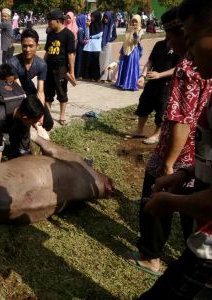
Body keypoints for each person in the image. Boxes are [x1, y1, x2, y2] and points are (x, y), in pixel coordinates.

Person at [127, 6, 212, 278]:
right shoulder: (200, 65)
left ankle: (150, 257)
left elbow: (181, 120)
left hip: (179, 154)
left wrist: (168, 163)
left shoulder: (188, 67)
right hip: (197, 158)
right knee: (194, 211)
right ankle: (189, 254)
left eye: (173, 35)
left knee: (158, 202)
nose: (171, 42)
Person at [125, 39, 179, 144]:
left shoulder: (179, 45)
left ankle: (156, 134)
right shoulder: (159, 44)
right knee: (144, 104)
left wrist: (160, 75)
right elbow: (150, 61)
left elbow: (178, 68)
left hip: (167, 84)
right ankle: (139, 130)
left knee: (161, 109)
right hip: (152, 81)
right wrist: (142, 76)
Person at [7, 28, 54, 131]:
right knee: (20, 121)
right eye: (24, 46)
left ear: (37, 46)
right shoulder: (12, 63)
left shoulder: (41, 64)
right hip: (14, 91)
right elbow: (19, 91)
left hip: (29, 89)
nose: (27, 49)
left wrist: (40, 113)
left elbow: (40, 92)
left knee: (48, 123)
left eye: (31, 46)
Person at [44, 8, 75, 125]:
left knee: (62, 92)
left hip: (61, 69)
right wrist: (43, 65)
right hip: (49, 68)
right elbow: (47, 51)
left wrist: (71, 71)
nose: (48, 23)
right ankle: (47, 116)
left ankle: (62, 116)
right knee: (48, 94)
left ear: (57, 21)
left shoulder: (68, 35)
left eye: (49, 21)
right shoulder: (50, 34)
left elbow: (71, 54)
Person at [115, 15, 143, 91]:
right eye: (133, 21)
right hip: (125, 50)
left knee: (131, 67)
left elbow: (136, 42)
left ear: (139, 22)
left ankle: (130, 84)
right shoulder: (128, 29)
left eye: (136, 21)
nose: (134, 23)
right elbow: (125, 41)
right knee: (124, 66)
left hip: (133, 52)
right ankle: (122, 83)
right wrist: (121, 52)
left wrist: (135, 34)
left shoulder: (140, 30)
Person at [81, 10, 103, 81]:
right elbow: (87, 36)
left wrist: (91, 37)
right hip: (89, 46)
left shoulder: (100, 24)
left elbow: (100, 35)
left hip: (96, 47)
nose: (92, 18)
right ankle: (88, 76)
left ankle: (96, 77)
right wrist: (87, 27)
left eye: (93, 16)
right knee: (88, 62)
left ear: (97, 17)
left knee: (95, 63)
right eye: (91, 16)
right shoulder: (90, 24)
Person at [99, 11, 117, 82]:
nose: (105, 19)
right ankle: (103, 76)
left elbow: (114, 36)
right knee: (102, 61)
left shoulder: (112, 25)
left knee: (107, 62)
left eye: (107, 18)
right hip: (101, 44)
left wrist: (109, 40)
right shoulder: (101, 24)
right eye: (104, 18)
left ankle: (106, 77)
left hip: (108, 45)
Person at [74, 13, 87, 79]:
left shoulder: (79, 27)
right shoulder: (81, 29)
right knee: (79, 60)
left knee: (78, 60)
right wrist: (86, 42)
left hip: (79, 47)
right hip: (80, 47)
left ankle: (77, 73)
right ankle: (78, 74)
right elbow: (80, 40)